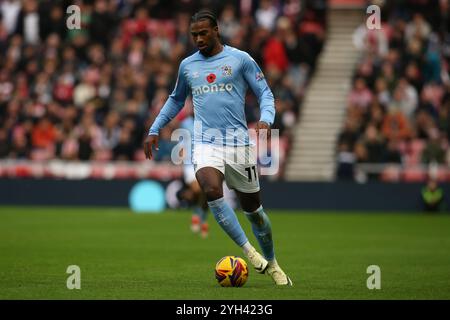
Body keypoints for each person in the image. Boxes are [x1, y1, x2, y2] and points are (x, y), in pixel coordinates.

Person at [144, 10, 292, 286]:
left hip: (238, 144)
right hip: (204, 142)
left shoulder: (240, 59)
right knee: (211, 189)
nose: (198, 39)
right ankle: (249, 253)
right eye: (194, 35)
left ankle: (272, 261)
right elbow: (176, 100)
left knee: (255, 213)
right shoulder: (188, 66)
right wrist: (154, 129)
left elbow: (265, 93)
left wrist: (266, 119)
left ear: (216, 31)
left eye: (203, 33)